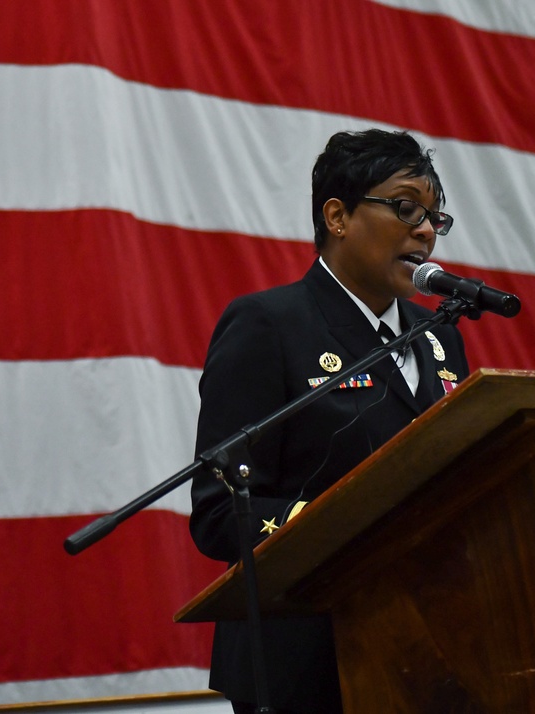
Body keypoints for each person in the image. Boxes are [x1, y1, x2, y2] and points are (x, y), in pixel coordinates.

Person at [190, 128, 471, 714]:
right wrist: (344, 529)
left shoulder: (440, 335)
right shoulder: (270, 326)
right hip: (303, 665)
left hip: (418, 650)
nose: (424, 229)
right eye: (405, 209)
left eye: (434, 218)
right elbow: (219, 515)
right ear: (337, 216)